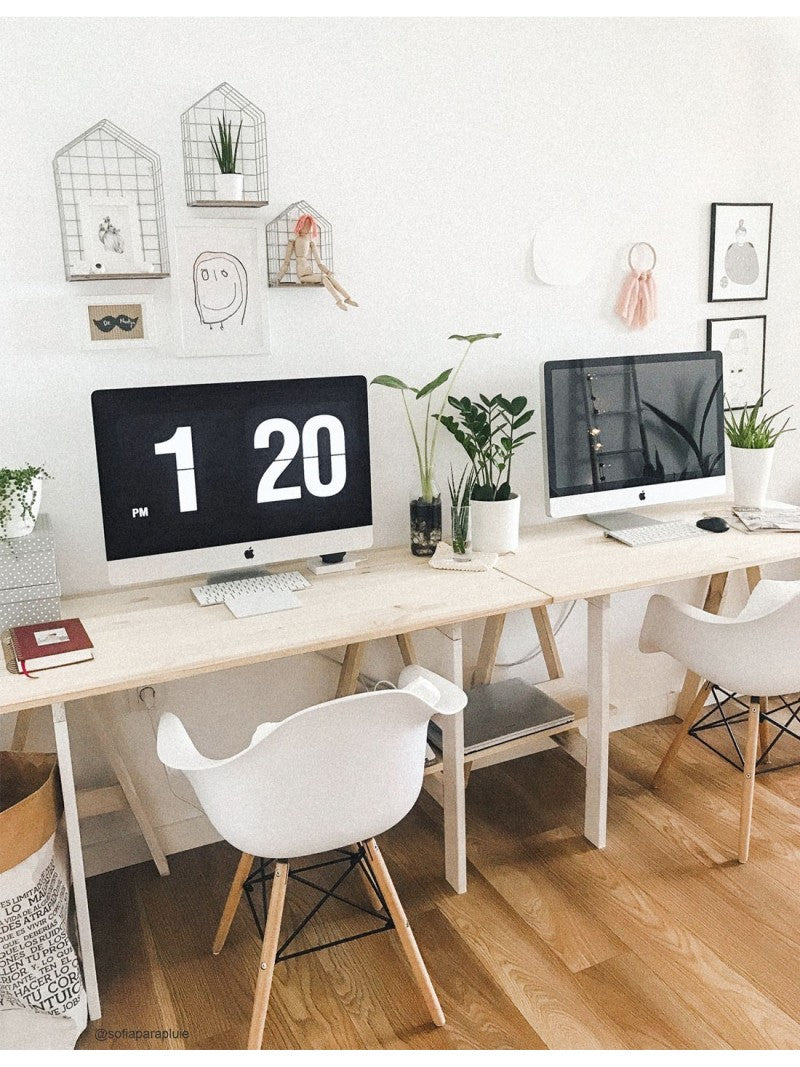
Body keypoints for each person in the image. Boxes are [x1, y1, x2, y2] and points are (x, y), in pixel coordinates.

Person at [274, 214, 358, 311]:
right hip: (302, 275)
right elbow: (286, 262)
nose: (307, 228)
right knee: (324, 278)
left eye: (309, 226)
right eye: (305, 225)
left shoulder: (310, 242)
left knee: (327, 277)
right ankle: (339, 300)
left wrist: (328, 271)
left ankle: (347, 298)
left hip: (309, 272)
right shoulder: (293, 242)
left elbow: (319, 262)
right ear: (300, 225)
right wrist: (278, 278)